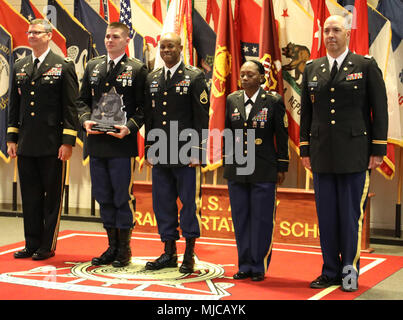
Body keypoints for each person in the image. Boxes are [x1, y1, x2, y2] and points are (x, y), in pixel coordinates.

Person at [300, 15, 388, 292]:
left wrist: (378, 149)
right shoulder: (312, 68)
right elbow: (306, 113)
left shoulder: (364, 66)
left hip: (355, 154)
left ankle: (349, 274)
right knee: (326, 218)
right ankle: (329, 271)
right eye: (326, 30)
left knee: (350, 218)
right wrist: (305, 149)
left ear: (347, 33)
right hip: (322, 154)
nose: (330, 35)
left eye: (336, 30)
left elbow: (380, 110)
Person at [7, 19, 79, 260]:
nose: (31, 36)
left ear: (49, 36)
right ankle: (31, 243)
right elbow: (14, 107)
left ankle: (46, 245)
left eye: (37, 32)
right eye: (29, 32)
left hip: (52, 143)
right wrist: (11, 138)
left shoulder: (62, 65)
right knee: (29, 196)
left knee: (51, 198)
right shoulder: (20, 65)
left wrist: (67, 141)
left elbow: (70, 107)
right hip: (26, 141)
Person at [77, 22, 147, 267]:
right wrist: (85, 121)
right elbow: (82, 101)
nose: (109, 40)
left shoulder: (137, 69)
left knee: (121, 196)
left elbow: (144, 108)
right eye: (107, 36)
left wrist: (129, 127)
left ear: (127, 41)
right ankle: (111, 246)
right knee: (103, 196)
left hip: (121, 144)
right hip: (97, 142)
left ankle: (124, 249)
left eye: (115, 37)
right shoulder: (93, 66)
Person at [144, 32, 210, 274]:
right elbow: (151, 118)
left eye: (170, 46)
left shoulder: (194, 76)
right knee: (163, 204)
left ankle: (189, 254)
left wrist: (198, 151)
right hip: (161, 152)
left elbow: (202, 117)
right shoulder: (152, 78)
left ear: (181, 48)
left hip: (186, 154)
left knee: (189, 205)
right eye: (162, 47)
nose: (166, 50)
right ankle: (169, 252)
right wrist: (149, 149)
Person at [223, 60, 289, 281]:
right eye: (242, 74)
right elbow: (227, 133)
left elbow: (281, 136)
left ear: (262, 77)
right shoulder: (232, 99)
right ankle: (244, 264)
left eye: (250, 74)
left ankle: (259, 266)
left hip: (263, 167)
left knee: (261, 219)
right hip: (237, 167)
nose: (244, 78)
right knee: (241, 218)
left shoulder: (273, 101)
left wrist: (282, 165)